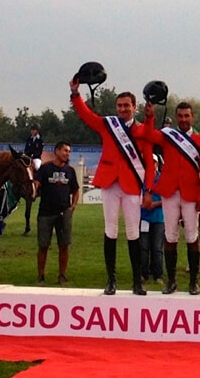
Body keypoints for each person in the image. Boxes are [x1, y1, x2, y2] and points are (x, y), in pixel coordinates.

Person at [70, 78, 154, 296]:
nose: (123, 109)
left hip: (132, 185)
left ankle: (137, 282)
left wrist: (149, 189)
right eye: (120, 106)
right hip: (109, 183)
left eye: (127, 105)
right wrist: (75, 94)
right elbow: (87, 116)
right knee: (110, 230)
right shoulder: (108, 125)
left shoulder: (143, 130)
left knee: (133, 233)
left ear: (134, 107)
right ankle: (111, 280)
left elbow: (149, 163)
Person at [143, 101, 200, 295]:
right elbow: (148, 135)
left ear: (192, 117)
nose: (183, 120)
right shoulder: (167, 136)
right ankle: (171, 281)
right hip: (170, 192)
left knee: (192, 235)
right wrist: (149, 117)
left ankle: (193, 282)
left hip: (191, 192)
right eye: (180, 116)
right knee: (170, 235)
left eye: (186, 116)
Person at [35, 141, 80, 285]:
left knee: (64, 245)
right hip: (46, 213)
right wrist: (35, 187)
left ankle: (62, 275)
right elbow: (36, 184)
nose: (67, 154)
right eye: (65, 150)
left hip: (64, 212)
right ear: (57, 151)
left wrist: (72, 206)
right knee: (43, 245)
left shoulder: (70, 171)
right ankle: (41, 276)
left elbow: (76, 190)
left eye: (69, 151)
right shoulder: (45, 168)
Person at [140, 154, 165, 285]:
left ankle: (158, 275)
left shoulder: (162, 179)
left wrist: (155, 204)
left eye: (154, 162)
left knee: (157, 247)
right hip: (144, 216)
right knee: (143, 247)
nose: (152, 165)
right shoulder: (141, 179)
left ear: (157, 164)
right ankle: (143, 274)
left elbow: (167, 198)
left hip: (159, 218)